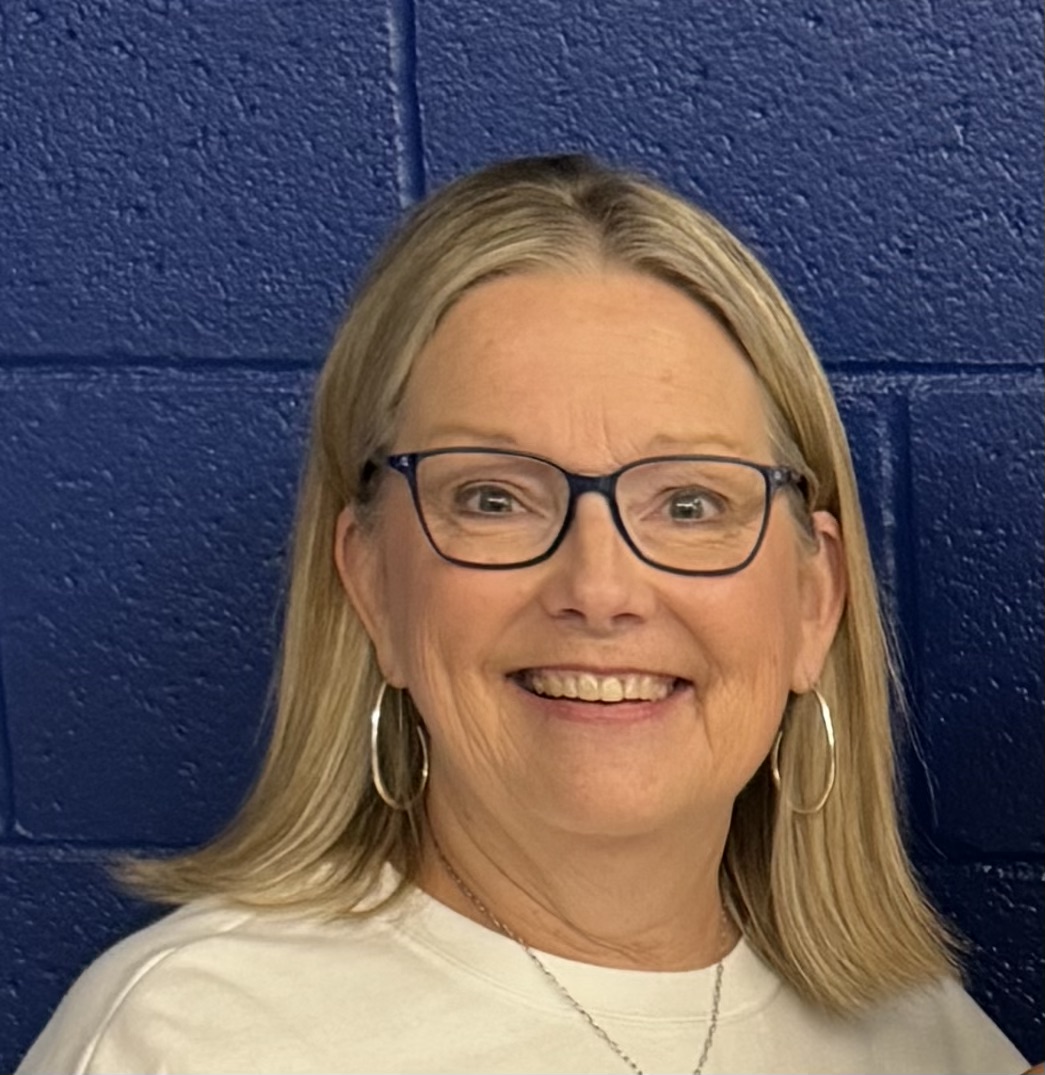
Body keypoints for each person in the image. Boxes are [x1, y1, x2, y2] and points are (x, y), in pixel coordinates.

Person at [17, 155, 1033, 1075]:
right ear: (370, 581)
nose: (598, 588)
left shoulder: (925, 1042)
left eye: (688, 503)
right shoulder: (182, 1039)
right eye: (493, 498)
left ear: (814, 600)